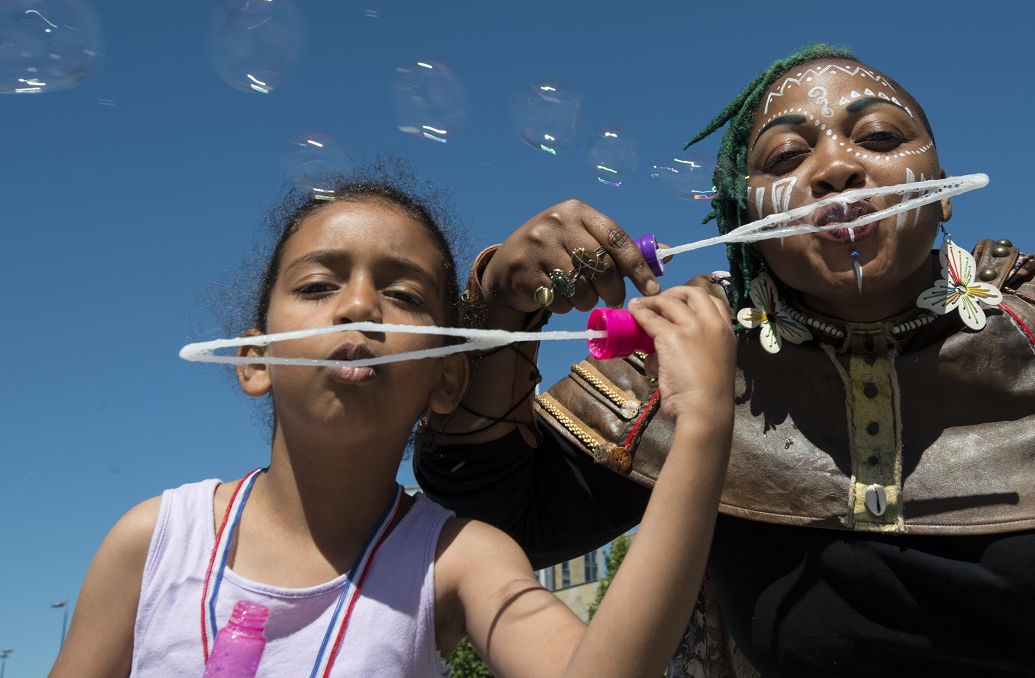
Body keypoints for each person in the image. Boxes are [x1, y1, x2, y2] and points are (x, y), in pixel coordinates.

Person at [415, 45, 1035, 676]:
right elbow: (497, 519)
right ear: (745, 218)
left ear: (944, 191)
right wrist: (499, 307)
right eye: (789, 157)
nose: (837, 169)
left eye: (877, 137)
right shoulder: (690, 352)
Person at [48, 161, 739, 678]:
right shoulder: (153, 543)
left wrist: (701, 424)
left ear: (448, 377)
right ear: (254, 360)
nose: (359, 307)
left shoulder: (458, 557)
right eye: (318, 286)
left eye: (403, 295)